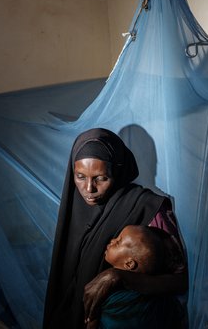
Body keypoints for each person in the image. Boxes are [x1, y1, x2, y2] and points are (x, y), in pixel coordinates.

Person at [43, 128, 188, 329]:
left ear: (117, 171)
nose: (89, 189)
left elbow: (182, 281)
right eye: (80, 176)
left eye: (101, 178)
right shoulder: (73, 210)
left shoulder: (148, 209)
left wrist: (119, 276)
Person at [91, 225, 186, 328]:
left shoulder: (118, 298)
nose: (112, 240)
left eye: (118, 242)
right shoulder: (159, 297)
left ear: (129, 264)